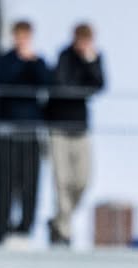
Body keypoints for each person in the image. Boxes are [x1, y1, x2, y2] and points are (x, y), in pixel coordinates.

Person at [44, 24, 104, 248]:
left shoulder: (94, 59)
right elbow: (61, 85)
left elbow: (99, 84)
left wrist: (90, 61)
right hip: (59, 128)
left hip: (81, 129)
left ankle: (59, 222)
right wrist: (81, 87)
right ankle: (65, 233)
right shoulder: (64, 57)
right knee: (62, 182)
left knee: (82, 181)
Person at [0, 21, 51, 240]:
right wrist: (20, 62)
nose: (23, 40)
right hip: (8, 131)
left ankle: (26, 227)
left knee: (30, 182)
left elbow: (47, 82)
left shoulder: (38, 61)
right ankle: (3, 226)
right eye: (20, 35)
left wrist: (32, 62)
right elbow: (4, 82)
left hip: (31, 132)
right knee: (7, 182)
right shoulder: (5, 61)